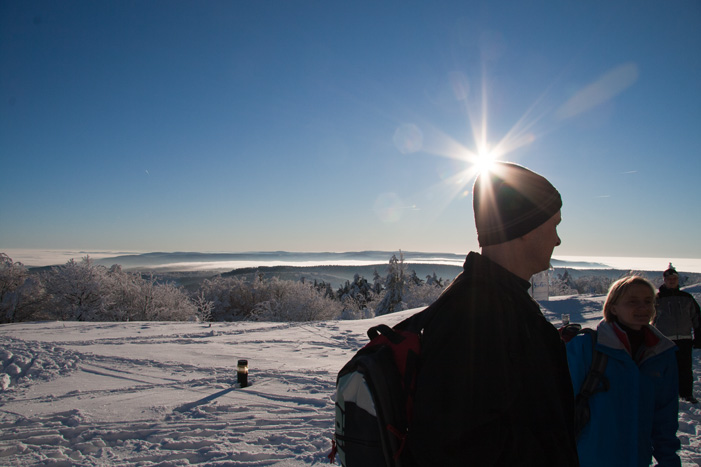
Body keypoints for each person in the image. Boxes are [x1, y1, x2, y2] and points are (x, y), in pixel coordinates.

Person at [407, 162, 579, 466]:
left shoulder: (500, 302)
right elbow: (456, 446)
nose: (557, 239)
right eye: (554, 224)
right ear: (526, 228)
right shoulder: (476, 314)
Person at [566, 276, 681, 467]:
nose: (643, 308)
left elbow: (665, 418)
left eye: (648, 302)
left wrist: (669, 460)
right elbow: (560, 407)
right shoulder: (586, 347)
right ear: (613, 307)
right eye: (633, 302)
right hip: (588, 459)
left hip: (637, 459)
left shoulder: (662, 354)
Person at [654, 264, 701, 404]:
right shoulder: (657, 299)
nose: (672, 281)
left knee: (685, 369)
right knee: (665, 369)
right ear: (664, 280)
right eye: (669, 279)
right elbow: (650, 319)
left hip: (685, 339)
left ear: (678, 280)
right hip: (664, 340)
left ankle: (686, 394)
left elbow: (696, 318)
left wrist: (698, 337)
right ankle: (665, 395)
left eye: (674, 278)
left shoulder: (686, 297)